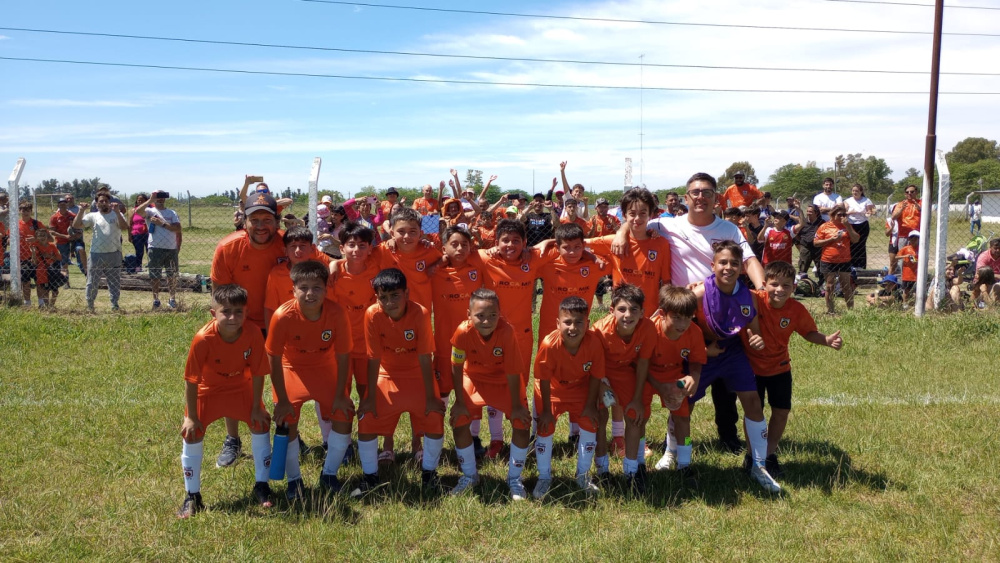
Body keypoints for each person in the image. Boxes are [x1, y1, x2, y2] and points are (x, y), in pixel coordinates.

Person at [645, 173, 765, 455]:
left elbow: (748, 260)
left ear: (716, 198)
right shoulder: (665, 225)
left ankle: (729, 435)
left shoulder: (730, 229)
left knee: (727, 384)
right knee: (686, 384)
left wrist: (762, 291)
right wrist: (625, 232)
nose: (701, 197)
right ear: (686, 198)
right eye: (695, 192)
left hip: (725, 315)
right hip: (686, 317)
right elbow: (632, 224)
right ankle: (674, 447)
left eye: (707, 192)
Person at [687, 240, 780, 492]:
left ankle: (758, 464)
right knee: (685, 402)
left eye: (734, 264)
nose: (728, 267)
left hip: (731, 351)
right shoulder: (698, 293)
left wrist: (756, 339)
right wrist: (703, 350)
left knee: (752, 401)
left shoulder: (748, 297)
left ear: (741, 269)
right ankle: (676, 452)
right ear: (712, 265)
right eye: (723, 262)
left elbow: (753, 331)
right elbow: (676, 324)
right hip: (702, 350)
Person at [177, 284, 273, 518]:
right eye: (226, 311)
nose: (232, 317)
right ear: (214, 314)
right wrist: (191, 417)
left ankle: (262, 486)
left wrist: (256, 407)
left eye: (238, 312)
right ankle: (192, 496)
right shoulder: (203, 338)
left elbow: (259, 372)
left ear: (246, 313)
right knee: (191, 432)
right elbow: (191, 380)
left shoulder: (252, 333)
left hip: (240, 387)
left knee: (261, 423)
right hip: (208, 391)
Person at [742, 261, 843, 477]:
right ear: (764, 284)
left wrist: (825, 340)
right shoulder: (752, 299)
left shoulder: (796, 310)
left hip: (779, 369)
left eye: (786, 285)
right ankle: (751, 455)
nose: (779, 290)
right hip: (751, 369)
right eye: (774, 284)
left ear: (794, 288)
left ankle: (769, 454)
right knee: (753, 413)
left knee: (780, 412)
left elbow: (808, 332)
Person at [352, 268, 446, 498]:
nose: (389, 302)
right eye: (383, 297)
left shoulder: (420, 313)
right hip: (387, 374)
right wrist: (370, 398)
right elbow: (373, 358)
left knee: (434, 417)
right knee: (366, 419)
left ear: (407, 293)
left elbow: (425, 357)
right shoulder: (372, 314)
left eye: (395, 295)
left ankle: (429, 475)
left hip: (416, 374)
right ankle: (370, 478)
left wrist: (432, 396)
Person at [210, 191, 287, 468]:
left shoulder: (285, 246)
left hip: (279, 322)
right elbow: (219, 294)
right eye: (255, 219)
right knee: (236, 379)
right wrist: (228, 326)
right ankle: (233, 439)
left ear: (277, 221)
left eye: (267, 219)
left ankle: (288, 431)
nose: (262, 225)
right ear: (245, 221)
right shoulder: (228, 248)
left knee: (284, 379)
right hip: (241, 323)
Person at [266, 261, 354, 499]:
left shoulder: (336, 313)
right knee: (286, 421)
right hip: (292, 368)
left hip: (325, 367)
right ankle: (294, 481)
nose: (310, 293)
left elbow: (344, 356)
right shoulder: (282, 315)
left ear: (326, 289)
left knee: (344, 413)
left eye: (317, 287)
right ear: (293, 289)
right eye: (303, 287)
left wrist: (340, 394)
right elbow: (273, 358)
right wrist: (282, 399)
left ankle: (329, 475)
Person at [447, 289, 532, 499]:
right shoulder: (462, 331)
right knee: (458, 419)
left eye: (493, 315)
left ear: (500, 314)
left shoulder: (507, 332)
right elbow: (456, 366)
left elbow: (513, 371)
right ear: (469, 314)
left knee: (522, 422)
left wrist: (516, 406)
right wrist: (459, 401)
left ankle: (514, 479)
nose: (487, 321)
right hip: (473, 377)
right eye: (480, 315)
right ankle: (469, 476)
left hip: (503, 380)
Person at [429, 227, 492, 456]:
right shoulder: (434, 269)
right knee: (442, 392)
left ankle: (473, 438)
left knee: (471, 392)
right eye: (453, 244)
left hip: (474, 344)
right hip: (445, 345)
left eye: (464, 244)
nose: (459, 248)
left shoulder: (478, 265)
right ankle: (436, 435)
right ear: (443, 247)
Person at [533, 296, 604, 498]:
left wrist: (591, 406)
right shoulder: (549, 344)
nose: (573, 327)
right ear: (558, 323)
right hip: (552, 390)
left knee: (591, 422)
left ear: (587, 323)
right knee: (545, 427)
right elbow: (543, 379)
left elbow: (596, 376)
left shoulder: (594, 344)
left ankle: (582, 475)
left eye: (579, 322)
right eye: (567, 322)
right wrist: (546, 411)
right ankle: (544, 476)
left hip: (580, 389)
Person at [591, 283, 659, 492]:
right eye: (622, 309)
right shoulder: (599, 331)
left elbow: (643, 364)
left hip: (626, 372)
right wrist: (602, 387)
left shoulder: (648, 328)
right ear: (612, 310)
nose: (627, 315)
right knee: (599, 418)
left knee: (635, 415)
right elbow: (594, 365)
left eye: (634, 310)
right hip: (599, 375)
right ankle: (602, 470)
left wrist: (637, 398)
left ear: (642, 312)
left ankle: (632, 471)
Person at [649, 286, 706, 490]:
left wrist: (693, 377)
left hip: (674, 375)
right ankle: (636, 465)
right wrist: (660, 387)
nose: (683, 324)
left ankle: (684, 464)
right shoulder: (649, 329)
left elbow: (697, 360)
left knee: (683, 418)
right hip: (646, 376)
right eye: (677, 317)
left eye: (688, 317)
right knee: (636, 414)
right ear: (663, 314)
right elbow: (640, 365)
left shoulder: (694, 332)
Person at [589, 187, 673, 317]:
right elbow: (578, 244)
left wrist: (663, 307)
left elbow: (666, 281)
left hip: (650, 315)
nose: (637, 218)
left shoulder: (661, 244)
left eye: (643, 213)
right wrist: (546, 242)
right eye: (632, 213)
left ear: (650, 214)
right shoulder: (614, 242)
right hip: (621, 315)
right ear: (624, 215)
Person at [72, 193, 128, 312]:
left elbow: (124, 227)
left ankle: (114, 305)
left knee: (114, 281)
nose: (103, 203)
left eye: (106, 201)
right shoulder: (93, 216)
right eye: (100, 201)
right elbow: (76, 225)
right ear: (96, 204)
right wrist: (81, 210)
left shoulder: (117, 214)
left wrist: (117, 212)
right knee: (92, 281)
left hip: (114, 253)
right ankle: (90, 305)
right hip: (96, 254)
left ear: (109, 202)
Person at [134, 191, 182, 309]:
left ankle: (172, 298)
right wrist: (150, 200)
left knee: (172, 275)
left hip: (170, 248)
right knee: (155, 275)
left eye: (162, 198)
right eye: (158, 198)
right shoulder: (150, 211)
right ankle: (156, 299)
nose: (160, 200)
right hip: (155, 248)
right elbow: (138, 211)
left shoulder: (172, 213)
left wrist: (163, 223)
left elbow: (178, 228)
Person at [814, 204, 859, 314]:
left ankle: (850, 311)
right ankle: (831, 310)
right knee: (829, 286)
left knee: (846, 286)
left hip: (844, 260)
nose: (842, 217)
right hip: (828, 260)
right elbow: (816, 243)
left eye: (844, 214)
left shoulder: (847, 225)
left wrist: (848, 226)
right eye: (839, 215)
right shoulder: (824, 227)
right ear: (832, 216)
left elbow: (856, 239)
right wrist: (832, 239)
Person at [16, 201, 45, 306]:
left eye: (28, 210)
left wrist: (36, 238)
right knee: (25, 282)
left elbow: (49, 238)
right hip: (22, 258)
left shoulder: (37, 224)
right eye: (23, 210)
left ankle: (41, 302)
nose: (25, 212)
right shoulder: (16, 224)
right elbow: (9, 240)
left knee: (39, 281)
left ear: (31, 211)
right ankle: (27, 303)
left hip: (37, 257)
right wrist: (14, 239)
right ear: (20, 211)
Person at [28, 226, 65, 309]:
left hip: (52, 270)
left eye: (44, 235)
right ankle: (47, 306)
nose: (42, 237)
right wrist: (33, 253)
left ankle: (52, 305)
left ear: (47, 237)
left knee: (55, 290)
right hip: (41, 270)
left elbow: (59, 258)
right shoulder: (35, 246)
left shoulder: (52, 246)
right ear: (36, 237)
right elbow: (34, 262)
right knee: (45, 289)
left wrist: (49, 256)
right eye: (40, 236)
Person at [49, 197, 82, 283]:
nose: (63, 205)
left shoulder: (72, 216)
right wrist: (65, 236)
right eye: (61, 203)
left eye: (64, 203)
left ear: (67, 204)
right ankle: (64, 281)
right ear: (58, 205)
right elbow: (52, 231)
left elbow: (79, 229)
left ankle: (67, 281)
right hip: (61, 242)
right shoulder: (54, 217)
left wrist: (74, 236)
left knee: (76, 260)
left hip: (73, 241)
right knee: (63, 262)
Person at [844, 184, 875, 269]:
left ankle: (861, 266)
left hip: (862, 224)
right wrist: (850, 212)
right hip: (851, 224)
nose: (855, 192)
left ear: (861, 192)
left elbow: (871, 211)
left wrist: (868, 213)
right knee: (851, 245)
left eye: (857, 191)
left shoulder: (866, 200)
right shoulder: (848, 201)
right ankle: (851, 265)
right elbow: (843, 213)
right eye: (853, 191)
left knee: (861, 245)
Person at [795, 204, 824, 281]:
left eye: (811, 211)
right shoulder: (803, 223)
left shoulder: (821, 223)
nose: (808, 213)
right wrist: (802, 242)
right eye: (807, 211)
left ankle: (821, 286)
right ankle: (801, 285)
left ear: (816, 213)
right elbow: (797, 235)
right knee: (802, 268)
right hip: (806, 247)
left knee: (821, 269)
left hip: (818, 248)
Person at [896, 231, 920, 302]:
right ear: (909, 239)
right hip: (907, 275)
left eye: (916, 239)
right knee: (906, 291)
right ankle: (905, 304)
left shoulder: (921, 248)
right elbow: (896, 257)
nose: (914, 240)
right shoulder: (906, 248)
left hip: (917, 274)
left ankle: (915, 303)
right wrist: (905, 256)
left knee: (916, 291)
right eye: (912, 239)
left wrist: (917, 261)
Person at [129, 194, 149, 269]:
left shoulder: (149, 210)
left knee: (149, 250)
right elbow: (130, 224)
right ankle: (138, 266)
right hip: (136, 233)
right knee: (139, 251)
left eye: (142, 200)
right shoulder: (133, 210)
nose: (140, 201)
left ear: (146, 201)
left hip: (147, 233)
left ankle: (151, 265)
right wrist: (129, 235)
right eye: (138, 200)